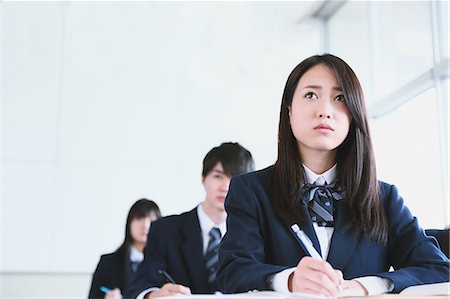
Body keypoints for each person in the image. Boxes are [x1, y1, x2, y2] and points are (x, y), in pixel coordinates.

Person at [217, 54, 450, 297]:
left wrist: (367, 286)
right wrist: (290, 280)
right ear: (288, 110)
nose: (325, 111)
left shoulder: (383, 198)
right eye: (310, 95)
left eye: (339, 98)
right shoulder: (251, 190)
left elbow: (439, 269)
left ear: (353, 114)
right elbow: (232, 272)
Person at [125, 142, 254, 299]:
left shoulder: (256, 234)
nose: (225, 186)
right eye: (218, 176)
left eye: (234, 178)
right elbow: (137, 289)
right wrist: (153, 295)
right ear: (203, 178)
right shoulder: (165, 230)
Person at [88, 199, 162, 299]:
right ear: (129, 223)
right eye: (140, 218)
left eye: (151, 220)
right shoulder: (107, 263)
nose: (145, 225)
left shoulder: (165, 265)